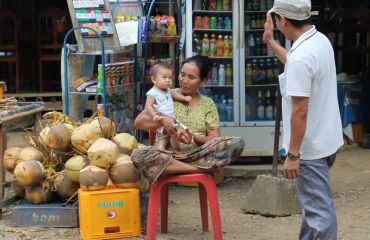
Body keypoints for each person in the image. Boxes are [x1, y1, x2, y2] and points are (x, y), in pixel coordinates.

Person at [263, 0, 343, 239]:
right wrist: (271, 43)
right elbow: (297, 63)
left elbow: (300, 110)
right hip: (326, 140)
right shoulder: (319, 40)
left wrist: (293, 155)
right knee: (312, 209)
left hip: (309, 149)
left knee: (319, 215)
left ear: (282, 20)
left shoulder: (301, 56)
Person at [132, 55, 244, 183]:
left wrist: (194, 138)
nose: (184, 80)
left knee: (235, 144)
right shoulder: (164, 94)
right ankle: (198, 170)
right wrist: (163, 120)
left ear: (202, 81)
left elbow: (215, 139)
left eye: (191, 77)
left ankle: (182, 168)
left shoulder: (207, 104)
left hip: (197, 156)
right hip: (167, 155)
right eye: (182, 74)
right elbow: (138, 122)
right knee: (138, 156)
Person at [145, 61, 191, 151]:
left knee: (167, 135)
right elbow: (148, 106)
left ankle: (164, 148)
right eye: (164, 77)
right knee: (173, 133)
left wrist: (184, 98)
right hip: (161, 120)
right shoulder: (153, 93)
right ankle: (176, 150)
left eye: (170, 77)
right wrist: (154, 116)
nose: (168, 80)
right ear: (154, 79)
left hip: (171, 118)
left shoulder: (167, 90)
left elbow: (175, 95)